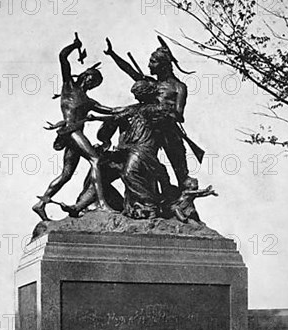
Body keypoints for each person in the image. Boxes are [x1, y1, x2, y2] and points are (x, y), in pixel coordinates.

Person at [32, 33, 118, 221]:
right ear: (86, 76)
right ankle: (102, 204)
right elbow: (62, 57)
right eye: (92, 80)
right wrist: (74, 45)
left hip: (73, 135)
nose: (92, 84)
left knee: (66, 174)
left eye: (95, 84)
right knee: (95, 160)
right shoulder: (69, 86)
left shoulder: (88, 100)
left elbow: (111, 110)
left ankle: (41, 203)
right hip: (72, 132)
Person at [61, 79, 173, 219]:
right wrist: (97, 119)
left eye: (138, 94)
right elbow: (115, 112)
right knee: (100, 171)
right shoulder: (134, 108)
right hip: (125, 150)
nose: (135, 97)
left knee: (129, 173)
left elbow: (169, 114)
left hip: (142, 150)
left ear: (146, 94)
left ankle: (150, 205)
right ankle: (78, 206)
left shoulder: (156, 110)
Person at [103, 37, 204, 190]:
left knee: (180, 169)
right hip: (149, 130)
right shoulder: (151, 84)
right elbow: (130, 70)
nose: (149, 65)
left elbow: (179, 114)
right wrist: (112, 54)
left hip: (168, 129)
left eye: (153, 62)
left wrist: (163, 111)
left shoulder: (179, 87)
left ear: (163, 65)